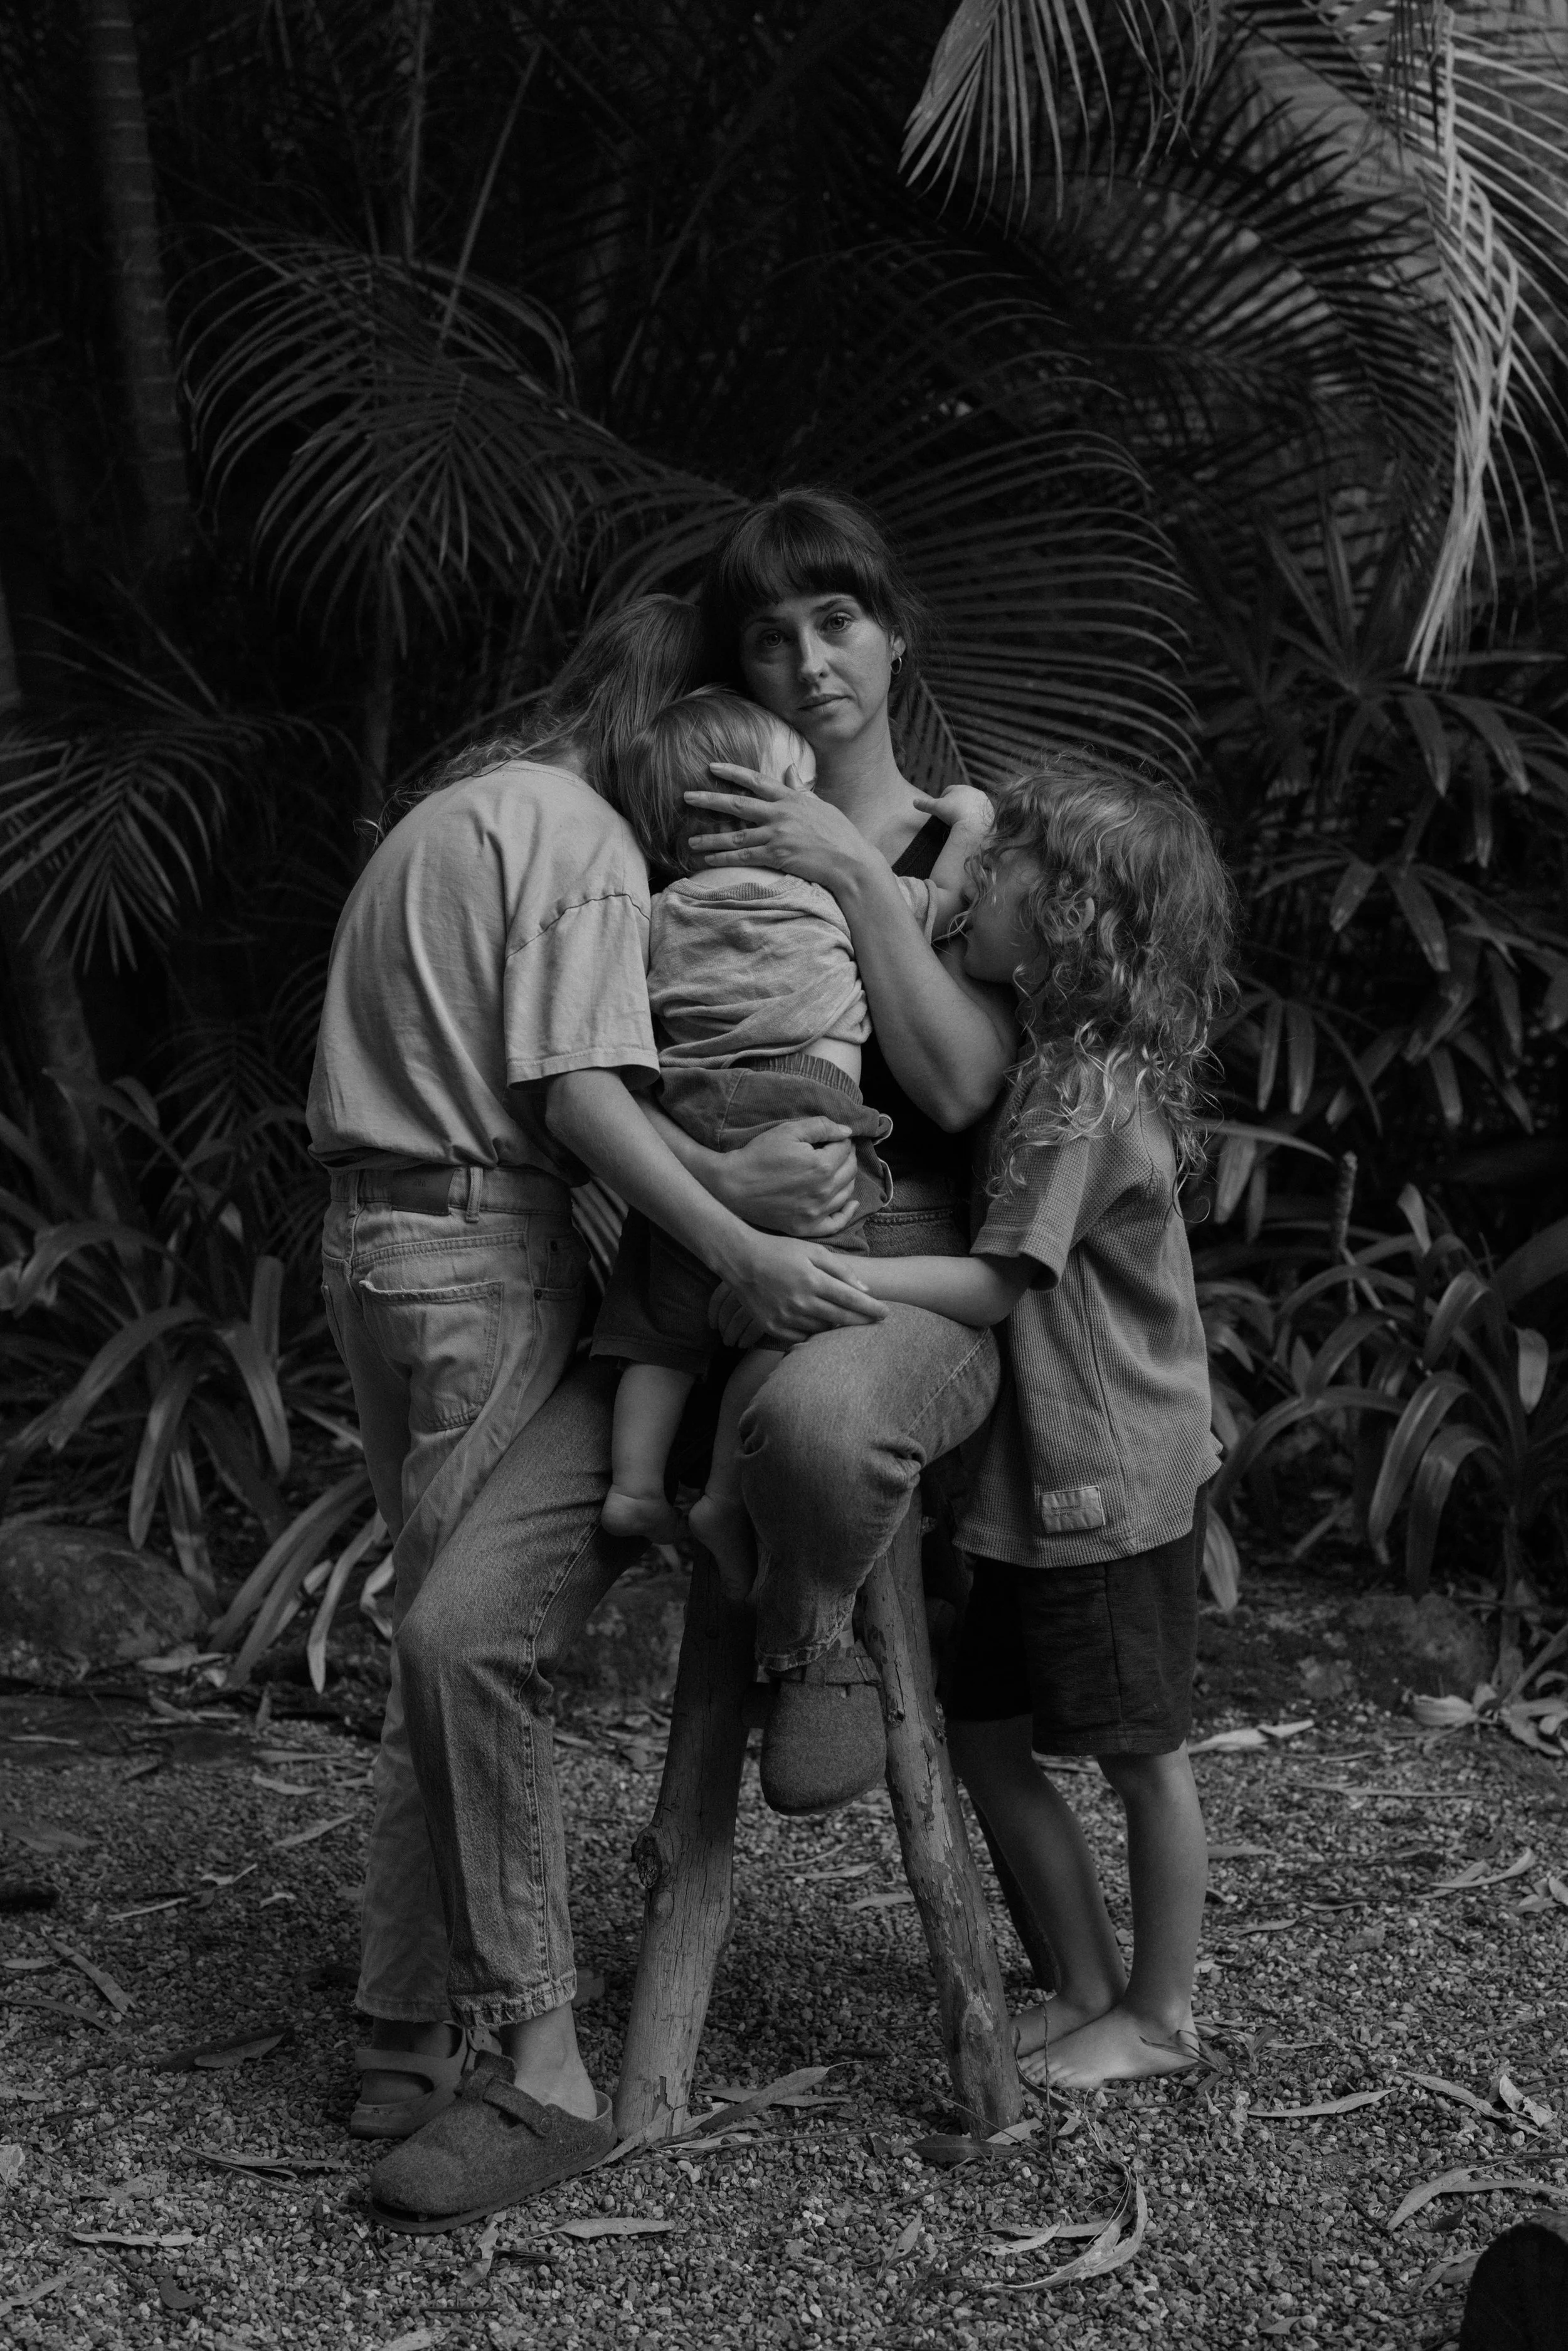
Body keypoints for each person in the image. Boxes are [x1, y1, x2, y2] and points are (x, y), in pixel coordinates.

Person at [373, 488, 1019, 2231]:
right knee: (452, 1627)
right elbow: (614, 1067)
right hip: (682, 1278)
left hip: (894, 1281)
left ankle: (811, 1631)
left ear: (892, 631)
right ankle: (541, 2061)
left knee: (809, 1428)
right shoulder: (673, 818)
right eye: (768, 634)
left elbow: (960, 1086)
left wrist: (847, 870)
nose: (808, 659)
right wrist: (718, 1195)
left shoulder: (968, 841)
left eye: (836, 620)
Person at [307, 596, 882, 2162]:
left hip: (367, 1235)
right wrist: (733, 1223)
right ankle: (433, 2036)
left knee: (437, 1628)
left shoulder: (455, 812)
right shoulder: (586, 842)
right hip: (477, 1245)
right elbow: (574, 1096)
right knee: (462, 1638)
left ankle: (409, 2019)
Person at [803, 758, 1233, 2092]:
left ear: (1072, 917)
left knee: (1142, 1757)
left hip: (1107, 1485)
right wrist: (957, 842)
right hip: (1033, 1492)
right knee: (986, 1733)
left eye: (1002, 874)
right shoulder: (1053, 1065)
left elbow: (997, 1286)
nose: (976, 887)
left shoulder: (1080, 1098)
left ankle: (1159, 2016)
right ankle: (1087, 1982)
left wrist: (832, 1271)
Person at [593, 684, 987, 1601]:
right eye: (800, 791)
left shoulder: (659, 908)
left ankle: (634, 1484)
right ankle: (723, 1496)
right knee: (803, 1319)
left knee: (661, 1327)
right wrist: (969, 822)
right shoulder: (821, 894)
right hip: (804, 1110)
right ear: (768, 809)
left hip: (690, 1107)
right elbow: (946, 903)